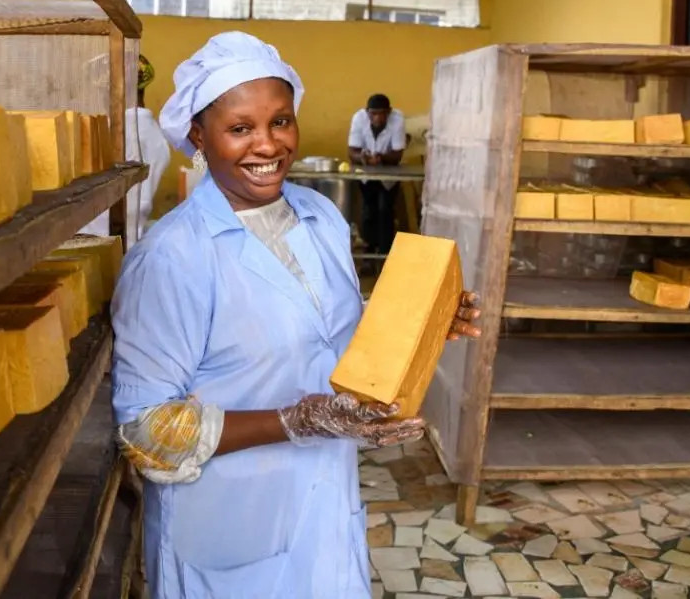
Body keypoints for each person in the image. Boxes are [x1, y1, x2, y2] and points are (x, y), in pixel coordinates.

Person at [110, 31, 480, 599]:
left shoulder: (318, 215)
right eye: (240, 129)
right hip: (230, 529)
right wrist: (293, 422)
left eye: (280, 122)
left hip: (325, 510)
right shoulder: (173, 258)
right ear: (198, 136)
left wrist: (422, 326)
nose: (267, 145)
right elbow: (146, 431)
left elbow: (332, 338)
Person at [83, 54, 171, 245]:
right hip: (131, 239)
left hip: (103, 242)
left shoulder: (116, 132)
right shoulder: (155, 134)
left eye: (101, 89)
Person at [348, 93, 405, 254]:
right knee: (369, 210)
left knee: (386, 210)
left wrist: (380, 158)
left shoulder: (398, 119)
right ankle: (369, 253)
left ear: (389, 112)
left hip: (389, 174)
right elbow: (352, 151)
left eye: (382, 113)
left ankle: (385, 254)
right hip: (366, 173)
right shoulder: (359, 119)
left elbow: (397, 155)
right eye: (373, 113)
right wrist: (363, 157)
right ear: (367, 112)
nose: (378, 117)